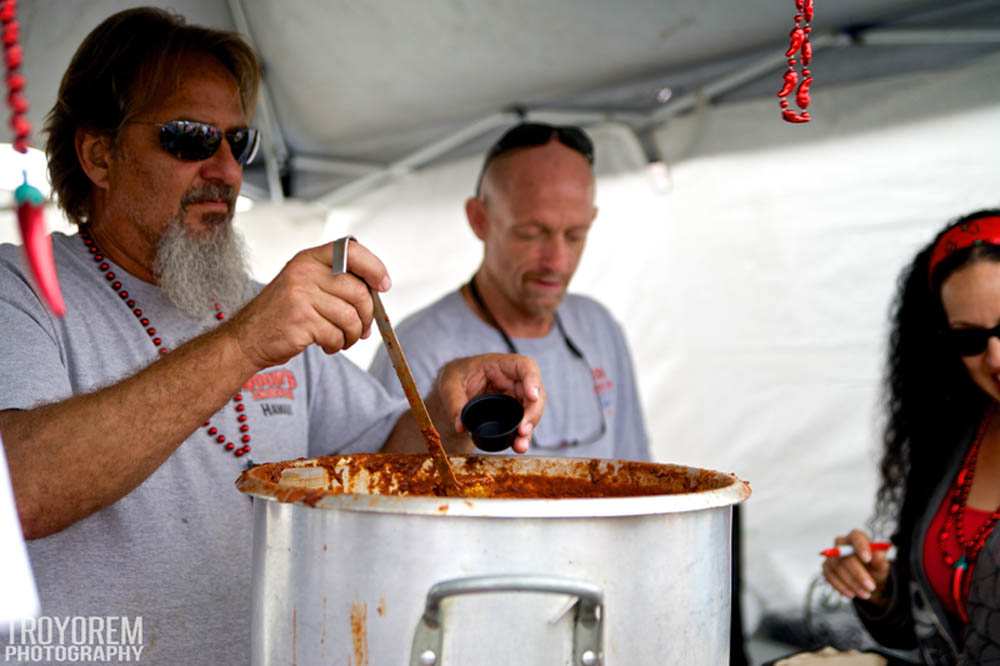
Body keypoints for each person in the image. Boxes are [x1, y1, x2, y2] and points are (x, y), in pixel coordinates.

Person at [0, 8, 543, 665]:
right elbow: (18, 488)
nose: (227, 171)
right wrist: (244, 344)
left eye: (240, 144)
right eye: (191, 138)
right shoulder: (22, 287)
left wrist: (446, 414)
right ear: (99, 155)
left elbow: (376, 468)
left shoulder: (260, 308)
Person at [369, 122, 651, 461]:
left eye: (575, 235)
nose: (557, 261)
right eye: (531, 234)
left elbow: (637, 473)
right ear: (479, 220)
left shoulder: (599, 327)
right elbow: (381, 490)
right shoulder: (417, 348)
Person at [822, 209, 1000, 663]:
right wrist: (880, 592)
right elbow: (922, 631)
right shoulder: (956, 439)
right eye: (969, 340)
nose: (995, 358)